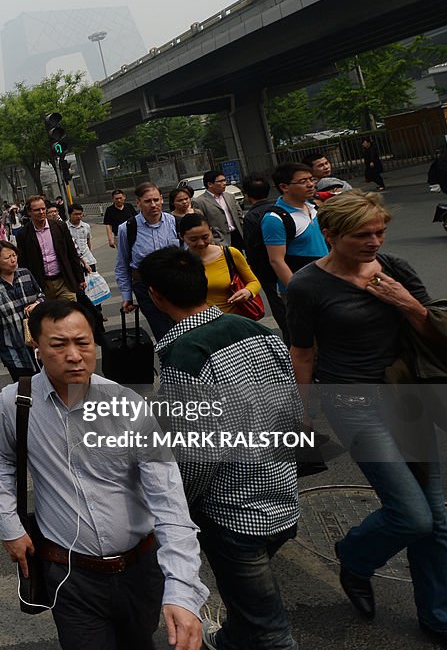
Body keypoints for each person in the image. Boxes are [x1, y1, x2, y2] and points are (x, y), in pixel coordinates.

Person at [285, 193, 447, 649]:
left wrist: (406, 302)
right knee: (411, 516)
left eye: (379, 231)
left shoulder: (393, 267)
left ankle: (444, 620)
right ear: (329, 235)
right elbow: (303, 350)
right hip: (352, 404)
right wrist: (306, 411)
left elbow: (439, 330)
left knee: (433, 520)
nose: (374, 241)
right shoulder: (306, 286)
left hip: (406, 397)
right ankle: (353, 555)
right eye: (362, 235)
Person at [0, 299, 207, 650]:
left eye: (83, 342)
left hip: (139, 570)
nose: (74, 355)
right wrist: (7, 523)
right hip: (69, 575)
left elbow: (170, 503)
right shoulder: (15, 404)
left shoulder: (129, 406)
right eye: (58, 345)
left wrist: (182, 590)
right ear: (37, 348)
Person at [141, 247, 301, 650]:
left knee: (271, 632)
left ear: (156, 296)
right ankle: (231, 640)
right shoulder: (262, 332)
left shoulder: (185, 356)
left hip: (234, 512)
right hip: (282, 493)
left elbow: (196, 452)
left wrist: (181, 508)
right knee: (248, 606)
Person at [114, 182, 178, 341]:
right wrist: (126, 296)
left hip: (175, 284)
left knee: (182, 330)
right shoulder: (127, 228)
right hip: (145, 288)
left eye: (156, 200)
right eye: (148, 201)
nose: (153, 205)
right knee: (163, 334)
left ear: (162, 199)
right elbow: (122, 265)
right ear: (138, 202)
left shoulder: (174, 222)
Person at [0, 240, 44, 381]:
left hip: (38, 343)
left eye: (14, 255)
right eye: (8, 257)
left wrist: (37, 303)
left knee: (48, 383)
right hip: (12, 347)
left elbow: (41, 295)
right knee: (25, 389)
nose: (13, 260)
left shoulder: (25, 274)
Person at [262, 163, 329, 298]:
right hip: (303, 291)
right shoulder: (275, 218)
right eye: (303, 181)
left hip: (326, 283)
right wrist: (298, 292)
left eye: (311, 179)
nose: (310, 184)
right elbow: (276, 260)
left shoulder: (314, 208)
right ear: (284, 187)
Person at [177, 213, 261, 315]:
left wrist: (248, 291)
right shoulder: (179, 264)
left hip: (236, 319)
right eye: (193, 239)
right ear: (181, 237)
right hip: (202, 324)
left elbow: (254, 281)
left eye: (205, 237)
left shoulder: (230, 253)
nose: (201, 243)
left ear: (211, 232)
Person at [241, 174, 289, 342]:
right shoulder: (279, 209)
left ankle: (289, 340)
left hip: (267, 270)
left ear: (247, 195)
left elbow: (251, 247)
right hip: (287, 264)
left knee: (279, 308)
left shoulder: (251, 217)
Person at [16, 195, 85, 302]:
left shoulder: (60, 226)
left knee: (69, 313)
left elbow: (72, 253)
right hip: (41, 285)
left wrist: (80, 278)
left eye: (43, 209)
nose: (41, 212)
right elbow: (23, 263)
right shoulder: (23, 234)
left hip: (64, 281)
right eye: (37, 210)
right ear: (29, 212)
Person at [193, 170, 245, 250]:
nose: (224, 183)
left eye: (224, 180)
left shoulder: (229, 196)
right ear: (210, 184)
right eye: (220, 181)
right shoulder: (199, 202)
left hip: (237, 236)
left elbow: (239, 215)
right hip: (219, 241)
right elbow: (202, 224)